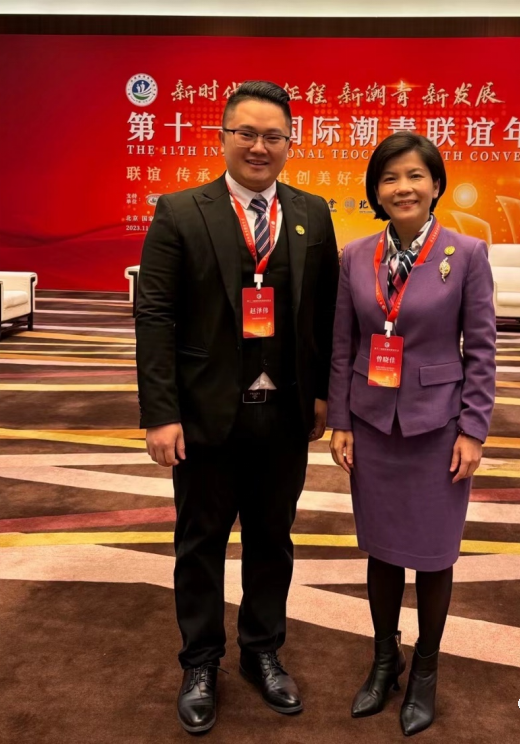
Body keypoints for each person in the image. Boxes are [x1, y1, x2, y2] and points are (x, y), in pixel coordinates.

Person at [135, 81, 339, 734]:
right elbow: (155, 316)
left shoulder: (311, 213)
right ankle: (200, 662)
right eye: (245, 133)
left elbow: (324, 315)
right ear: (223, 137)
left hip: (283, 417)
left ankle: (261, 651)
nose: (258, 147)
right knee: (200, 543)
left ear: (290, 143)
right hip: (204, 417)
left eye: (273, 136)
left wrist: (323, 394)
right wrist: (160, 413)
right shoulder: (180, 212)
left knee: (272, 541)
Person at [327, 132, 496, 736]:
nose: (403, 187)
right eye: (390, 178)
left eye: (415, 176)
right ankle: (384, 660)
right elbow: (343, 345)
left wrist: (473, 429)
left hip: (437, 426)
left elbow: (482, 350)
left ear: (436, 185)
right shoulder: (355, 256)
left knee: (432, 554)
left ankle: (425, 669)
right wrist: (340, 420)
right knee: (380, 550)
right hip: (372, 423)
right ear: (376, 191)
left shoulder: (466, 254)